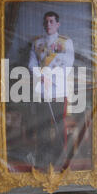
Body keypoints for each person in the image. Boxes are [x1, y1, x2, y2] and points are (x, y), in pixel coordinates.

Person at [27, 11, 74, 170]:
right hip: (41, 91)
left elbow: (68, 65)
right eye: (46, 21)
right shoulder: (37, 43)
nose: (49, 24)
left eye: (52, 21)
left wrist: (50, 76)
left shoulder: (66, 42)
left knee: (60, 126)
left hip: (59, 91)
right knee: (42, 127)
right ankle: (42, 159)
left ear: (57, 24)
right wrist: (41, 76)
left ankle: (60, 160)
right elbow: (31, 64)